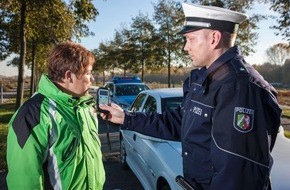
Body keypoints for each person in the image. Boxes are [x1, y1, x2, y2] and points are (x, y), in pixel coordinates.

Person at [100, 3, 281, 190]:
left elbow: (237, 177)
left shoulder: (241, 88)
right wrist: (126, 118)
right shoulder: (204, 81)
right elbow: (179, 123)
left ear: (214, 38)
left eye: (190, 39)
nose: (185, 47)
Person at [6, 41, 105, 189]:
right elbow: (24, 181)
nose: (92, 79)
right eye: (88, 73)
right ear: (69, 76)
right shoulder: (32, 115)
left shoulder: (85, 107)